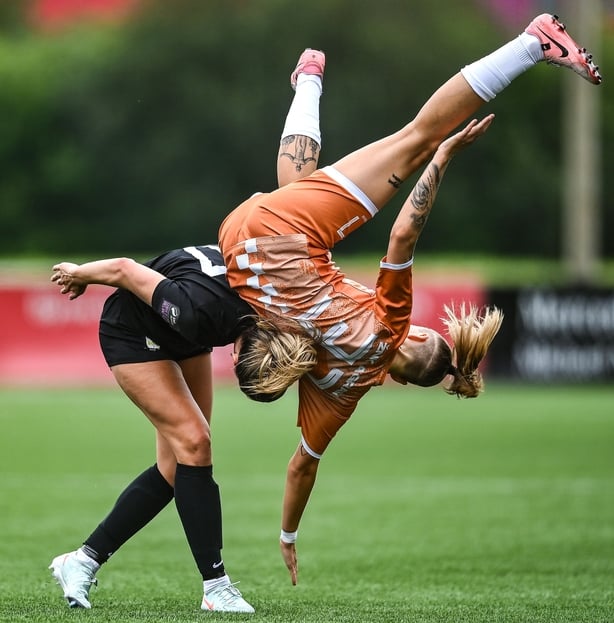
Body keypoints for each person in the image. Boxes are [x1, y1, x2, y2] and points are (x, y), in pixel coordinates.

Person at [217, 14, 602, 584]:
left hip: (285, 230)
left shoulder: (391, 325)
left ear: (420, 334)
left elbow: (401, 237)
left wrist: (441, 159)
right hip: (235, 249)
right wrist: (287, 535)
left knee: (417, 138)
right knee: (296, 189)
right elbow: (301, 469)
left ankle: (531, 42)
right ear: (395, 381)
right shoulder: (341, 396)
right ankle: (308, 81)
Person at [47, 48, 329, 613]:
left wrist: (307, 89)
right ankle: (216, 588)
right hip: (133, 332)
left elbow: (280, 194)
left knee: (178, 462)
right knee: (196, 443)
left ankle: (81, 561)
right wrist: (80, 273)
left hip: (184, 333)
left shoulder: (268, 291)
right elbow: (127, 272)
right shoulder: (203, 311)